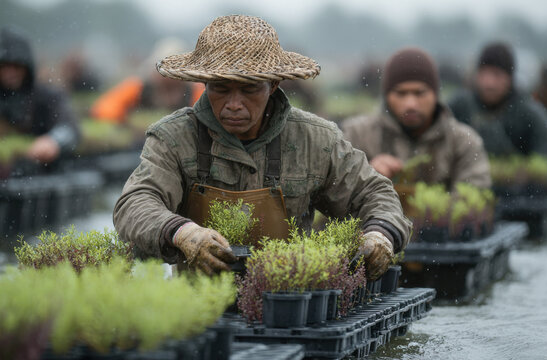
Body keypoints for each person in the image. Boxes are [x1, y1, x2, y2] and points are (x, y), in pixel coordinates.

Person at [113, 15, 411, 279]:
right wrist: (182, 232)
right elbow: (135, 202)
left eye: (249, 88)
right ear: (203, 83)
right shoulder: (175, 137)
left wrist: (380, 234)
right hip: (200, 302)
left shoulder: (315, 139)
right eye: (220, 88)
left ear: (275, 84)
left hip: (290, 302)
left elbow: (373, 193)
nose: (233, 104)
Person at [342, 48, 491, 190]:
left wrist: (425, 208)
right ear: (387, 96)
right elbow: (333, 197)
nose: (411, 104)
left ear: (435, 95)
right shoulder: (356, 135)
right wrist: (366, 176)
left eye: (420, 93)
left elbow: (475, 200)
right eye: (401, 93)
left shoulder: (464, 142)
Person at [0, 28, 79, 163]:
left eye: (16, 66)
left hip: (35, 169)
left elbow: (69, 128)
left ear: (27, 67)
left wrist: (54, 141)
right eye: (4, 66)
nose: (10, 72)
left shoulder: (48, 98)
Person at [448, 42, 547, 160]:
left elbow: (545, 163)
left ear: (510, 78)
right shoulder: (460, 106)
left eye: (497, 75)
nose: (489, 83)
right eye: (484, 73)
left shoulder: (530, 114)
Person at [90, 38, 205, 124]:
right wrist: (128, 121)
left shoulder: (195, 91)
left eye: (175, 69)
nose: (169, 75)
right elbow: (104, 109)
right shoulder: (138, 87)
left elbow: (206, 116)